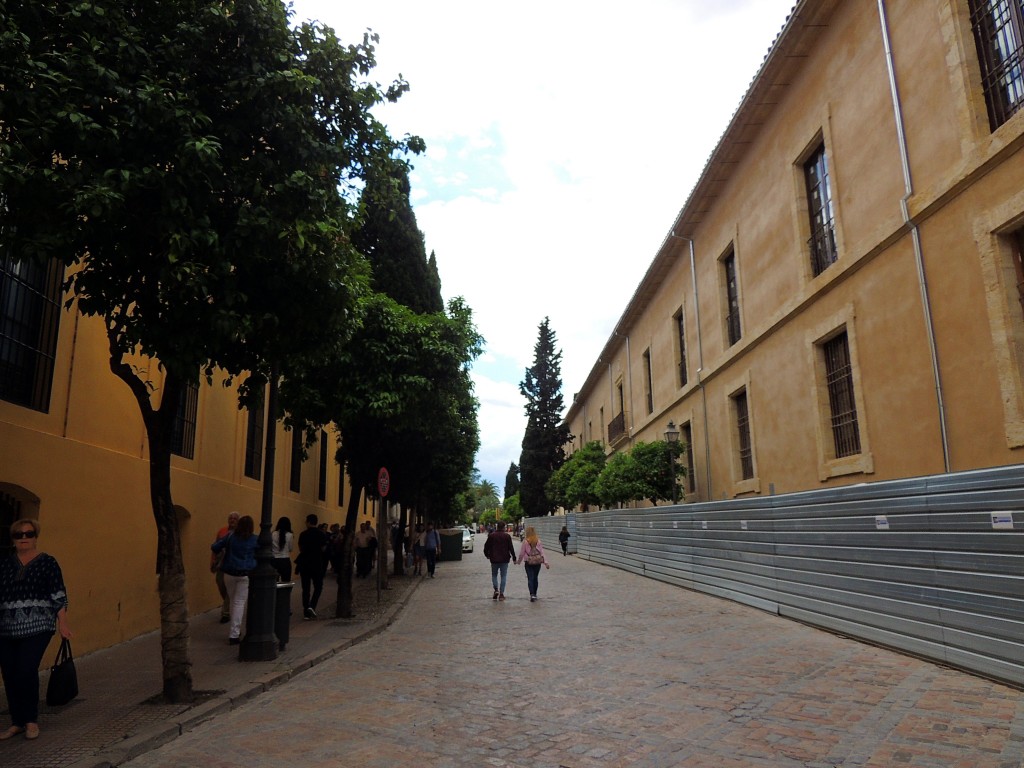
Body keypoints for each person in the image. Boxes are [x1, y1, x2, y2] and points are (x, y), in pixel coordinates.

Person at [0, 519, 72, 742]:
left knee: (25, 670)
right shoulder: (4, 564)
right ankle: (17, 722)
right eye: (19, 535)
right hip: (5, 629)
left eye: (28, 534)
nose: (24, 538)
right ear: (13, 539)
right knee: (10, 674)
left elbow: (57, 593)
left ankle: (31, 720)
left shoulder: (47, 563)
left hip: (38, 626)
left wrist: (63, 623)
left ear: (35, 536)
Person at [211, 514, 258, 645]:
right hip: (245, 573)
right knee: (239, 602)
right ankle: (234, 633)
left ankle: (234, 630)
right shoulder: (255, 539)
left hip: (229, 572)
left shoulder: (230, 536)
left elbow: (215, 547)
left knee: (233, 600)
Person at [295, 514, 328, 620]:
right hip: (317, 563)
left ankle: (306, 611)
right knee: (318, 586)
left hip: (305, 563)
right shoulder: (321, 534)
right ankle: (312, 606)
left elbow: (300, 548)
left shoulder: (303, 534)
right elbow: (323, 549)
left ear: (309, 522)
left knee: (306, 588)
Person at [211, 511, 239, 623]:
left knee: (229, 589)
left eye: (234, 518)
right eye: (230, 518)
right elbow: (215, 547)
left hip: (233, 565)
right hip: (221, 564)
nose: (232, 520)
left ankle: (226, 613)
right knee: (220, 584)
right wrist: (213, 561)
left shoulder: (240, 533)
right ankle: (228, 604)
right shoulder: (222, 531)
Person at [483, 522, 517, 600]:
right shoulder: (507, 536)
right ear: (504, 527)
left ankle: (496, 590)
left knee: (494, 575)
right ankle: (501, 594)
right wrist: (514, 558)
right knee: (503, 576)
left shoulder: (491, 536)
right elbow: (511, 548)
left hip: (494, 559)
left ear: (497, 527)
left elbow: (486, 547)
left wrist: (487, 555)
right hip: (504, 559)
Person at [516, 526, 550, 602]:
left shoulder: (525, 542)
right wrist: (546, 562)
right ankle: (535, 593)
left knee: (530, 578)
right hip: (537, 562)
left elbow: (522, 553)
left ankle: (532, 594)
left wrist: (519, 561)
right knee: (535, 578)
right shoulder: (538, 541)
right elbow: (542, 553)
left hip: (529, 562)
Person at [271, 516, 294, 583]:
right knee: (286, 582)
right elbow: (290, 548)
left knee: (274, 582)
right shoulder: (290, 535)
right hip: (285, 560)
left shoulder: (273, 534)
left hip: (274, 560)